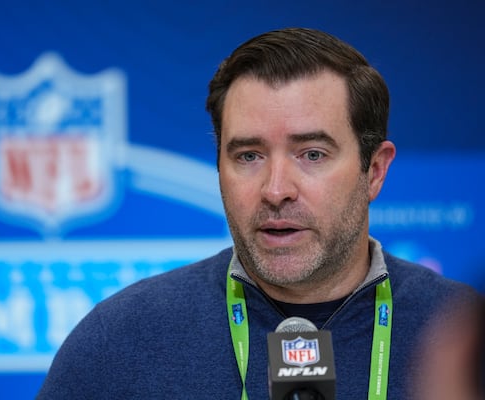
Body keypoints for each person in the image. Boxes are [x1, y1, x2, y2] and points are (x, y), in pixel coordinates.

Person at [37, 27, 477, 399]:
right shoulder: (119, 342)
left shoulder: (464, 336)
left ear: (374, 171)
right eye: (248, 156)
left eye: (312, 154)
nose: (276, 190)